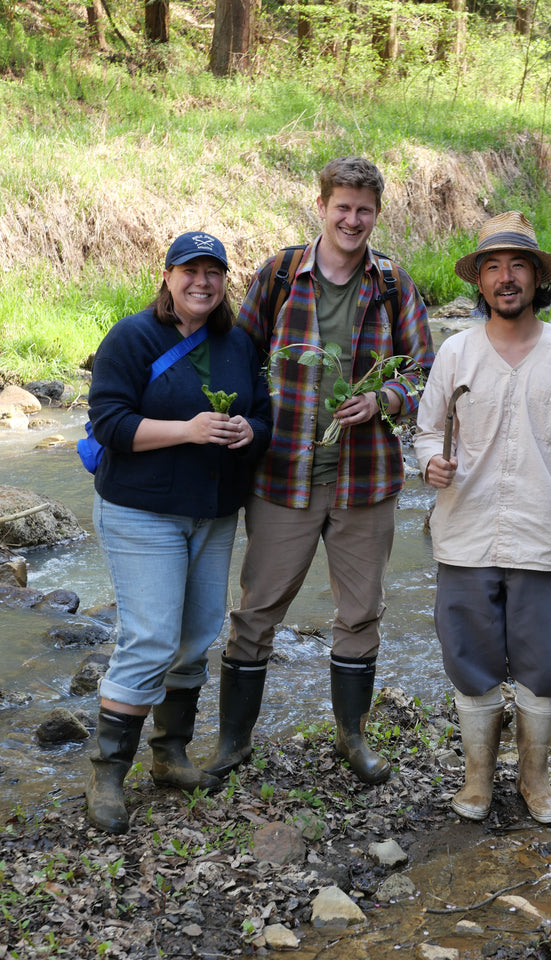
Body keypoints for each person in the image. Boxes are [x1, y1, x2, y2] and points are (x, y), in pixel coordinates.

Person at [203, 157, 434, 785]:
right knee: (256, 613)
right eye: (343, 207)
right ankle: (232, 743)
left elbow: (423, 369)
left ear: (376, 214)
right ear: (322, 206)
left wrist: (386, 400)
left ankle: (352, 738)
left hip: (367, 479)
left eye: (364, 210)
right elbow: (238, 356)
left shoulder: (394, 284)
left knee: (360, 613)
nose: (352, 220)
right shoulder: (280, 274)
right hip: (282, 476)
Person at [414, 211, 551, 824]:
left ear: (537, 279)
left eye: (518, 266)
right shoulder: (455, 353)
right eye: (494, 267)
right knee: (468, 656)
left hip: (540, 532)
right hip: (464, 534)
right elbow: (427, 430)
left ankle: (535, 777)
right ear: (480, 281)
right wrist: (431, 464)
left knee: (540, 660)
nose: (506, 278)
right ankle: (478, 778)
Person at [85, 231, 272, 834]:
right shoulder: (132, 337)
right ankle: (107, 773)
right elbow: (110, 423)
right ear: (167, 276)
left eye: (213, 272)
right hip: (142, 512)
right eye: (189, 271)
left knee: (196, 636)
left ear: (224, 282)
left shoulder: (237, 342)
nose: (202, 282)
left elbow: (264, 414)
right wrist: (186, 430)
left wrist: (251, 433)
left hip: (214, 513)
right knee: (151, 639)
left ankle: (169, 755)